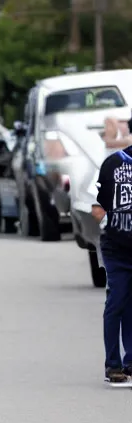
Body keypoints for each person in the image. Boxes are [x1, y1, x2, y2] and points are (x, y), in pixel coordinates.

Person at [92, 144, 132, 383]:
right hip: (116, 249)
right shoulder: (114, 163)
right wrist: (112, 224)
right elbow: (97, 207)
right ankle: (113, 364)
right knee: (116, 301)